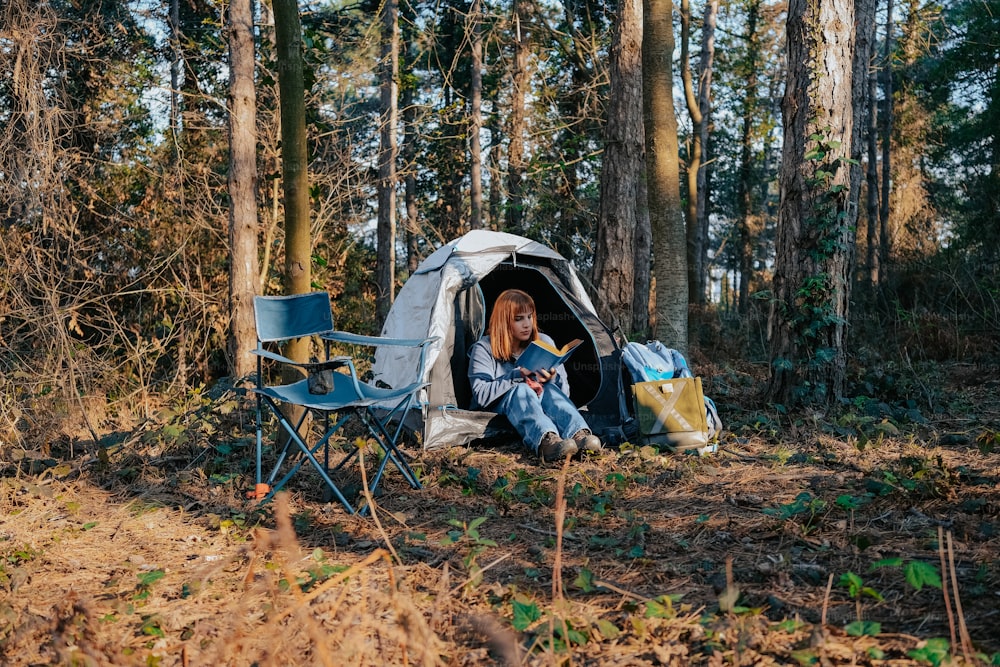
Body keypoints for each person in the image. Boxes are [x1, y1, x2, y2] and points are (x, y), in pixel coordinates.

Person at [468, 289, 602, 462]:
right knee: (522, 389)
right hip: (500, 406)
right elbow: (481, 395)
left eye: (529, 317)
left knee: (549, 388)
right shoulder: (483, 348)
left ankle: (579, 434)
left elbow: (564, 395)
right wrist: (515, 376)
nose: (526, 324)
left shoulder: (544, 342)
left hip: (539, 401)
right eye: (518, 319)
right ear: (503, 321)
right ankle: (547, 441)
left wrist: (552, 378)